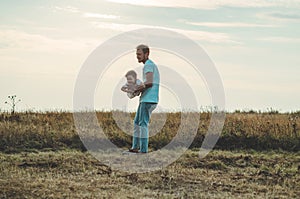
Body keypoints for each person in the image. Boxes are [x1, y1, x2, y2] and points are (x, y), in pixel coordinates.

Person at [128, 44, 160, 153]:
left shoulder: (148, 65)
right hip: (146, 98)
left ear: (146, 54)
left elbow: (150, 82)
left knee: (143, 124)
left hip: (148, 99)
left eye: (139, 54)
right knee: (137, 122)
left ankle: (143, 150)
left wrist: (136, 88)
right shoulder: (149, 65)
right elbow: (148, 84)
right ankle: (135, 147)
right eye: (136, 54)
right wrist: (138, 90)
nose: (137, 56)